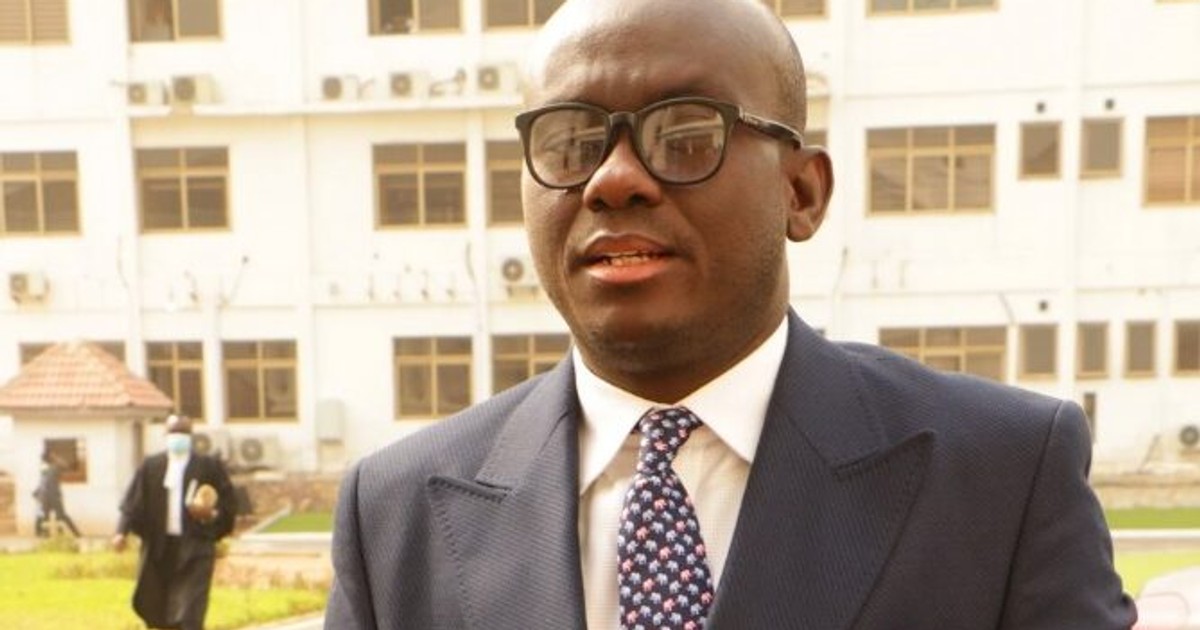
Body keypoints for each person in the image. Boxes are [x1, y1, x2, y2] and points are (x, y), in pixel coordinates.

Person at [325, 0, 1136, 628]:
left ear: (802, 192)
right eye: (571, 142)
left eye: (683, 134)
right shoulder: (395, 511)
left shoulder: (1001, 476)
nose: (613, 179)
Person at [113, 415, 237, 630]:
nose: (178, 438)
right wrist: (121, 532)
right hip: (160, 547)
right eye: (173, 433)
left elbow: (228, 503)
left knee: (190, 609)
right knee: (158, 606)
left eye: (183, 433)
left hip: (196, 546)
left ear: (190, 437)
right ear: (166, 436)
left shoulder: (208, 466)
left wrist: (211, 514)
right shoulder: (152, 467)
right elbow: (133, 503)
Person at [33, 450, 81, 538]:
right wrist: (37, 492)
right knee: (45, 517)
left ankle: (76, 534)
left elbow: (65, 466)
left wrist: (55, 458)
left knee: (59, 516)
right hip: (48, 497)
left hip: (52, 497)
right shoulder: (46, 470)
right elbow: (43, 483)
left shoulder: (54, 468)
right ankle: (45, 535)